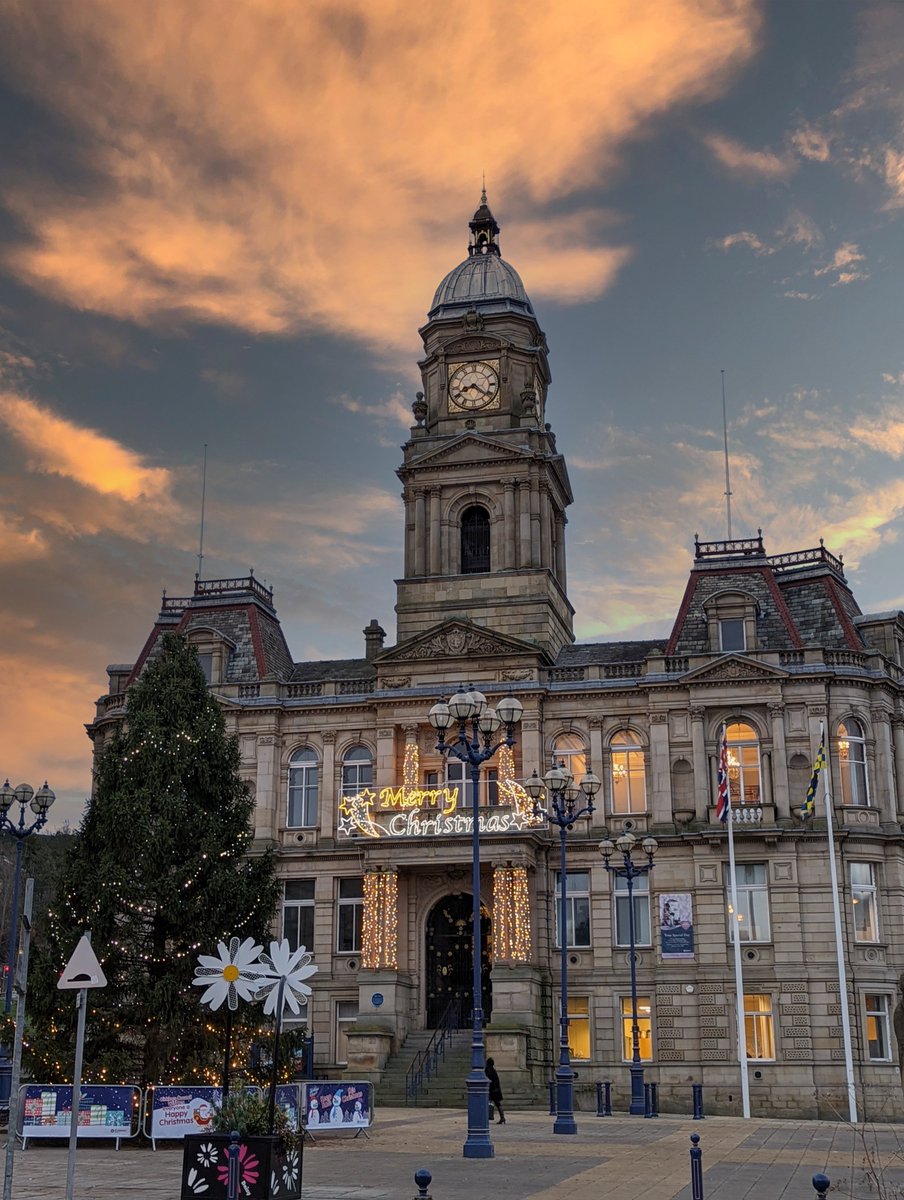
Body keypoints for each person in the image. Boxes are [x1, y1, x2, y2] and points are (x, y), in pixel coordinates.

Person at [485, 1057, 505, 1124]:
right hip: (496, 1090)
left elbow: (487, 1079)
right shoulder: (493, 1070)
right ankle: (502, 1117)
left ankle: (486, 1117)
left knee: (486, 1103)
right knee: (498, 1104)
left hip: (491, 1090)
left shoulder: (487, 1070)